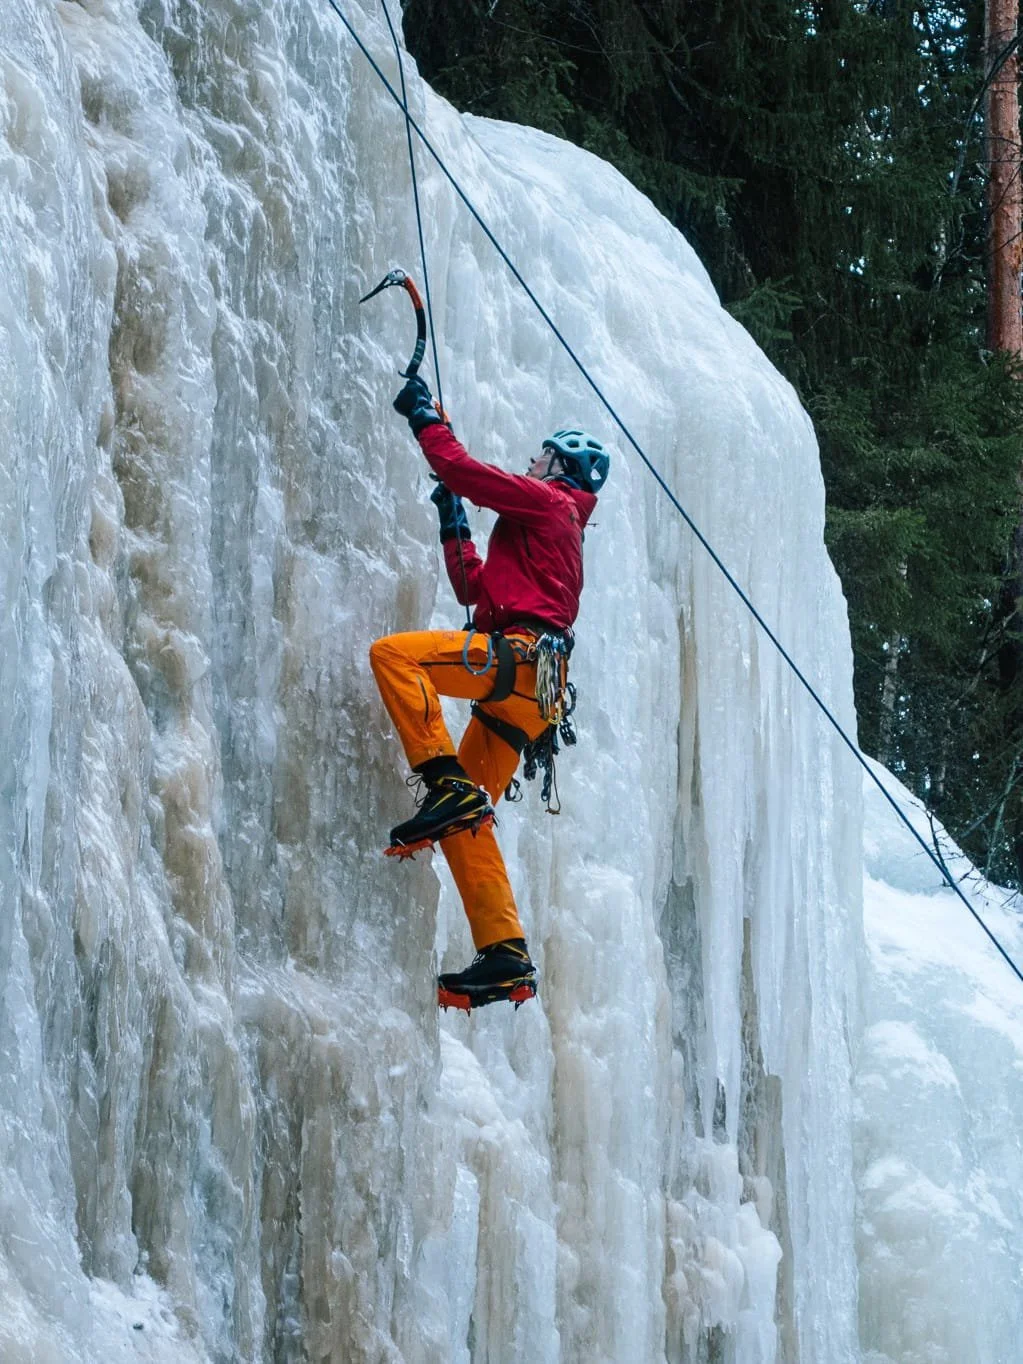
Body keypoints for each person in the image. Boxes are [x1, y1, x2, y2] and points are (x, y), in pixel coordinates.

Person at [369, 374, 610, 1009]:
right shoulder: (554, 527)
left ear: (558, 466)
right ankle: (505, 951)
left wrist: (426, 420)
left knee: (394, 657)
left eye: (541, 454)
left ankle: (441, 781)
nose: (532, 460)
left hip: (519, 664)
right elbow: (474, 591)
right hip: (531, 696)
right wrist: (454, 521)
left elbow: (468, 471)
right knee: (467, 819)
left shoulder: (550, 502)